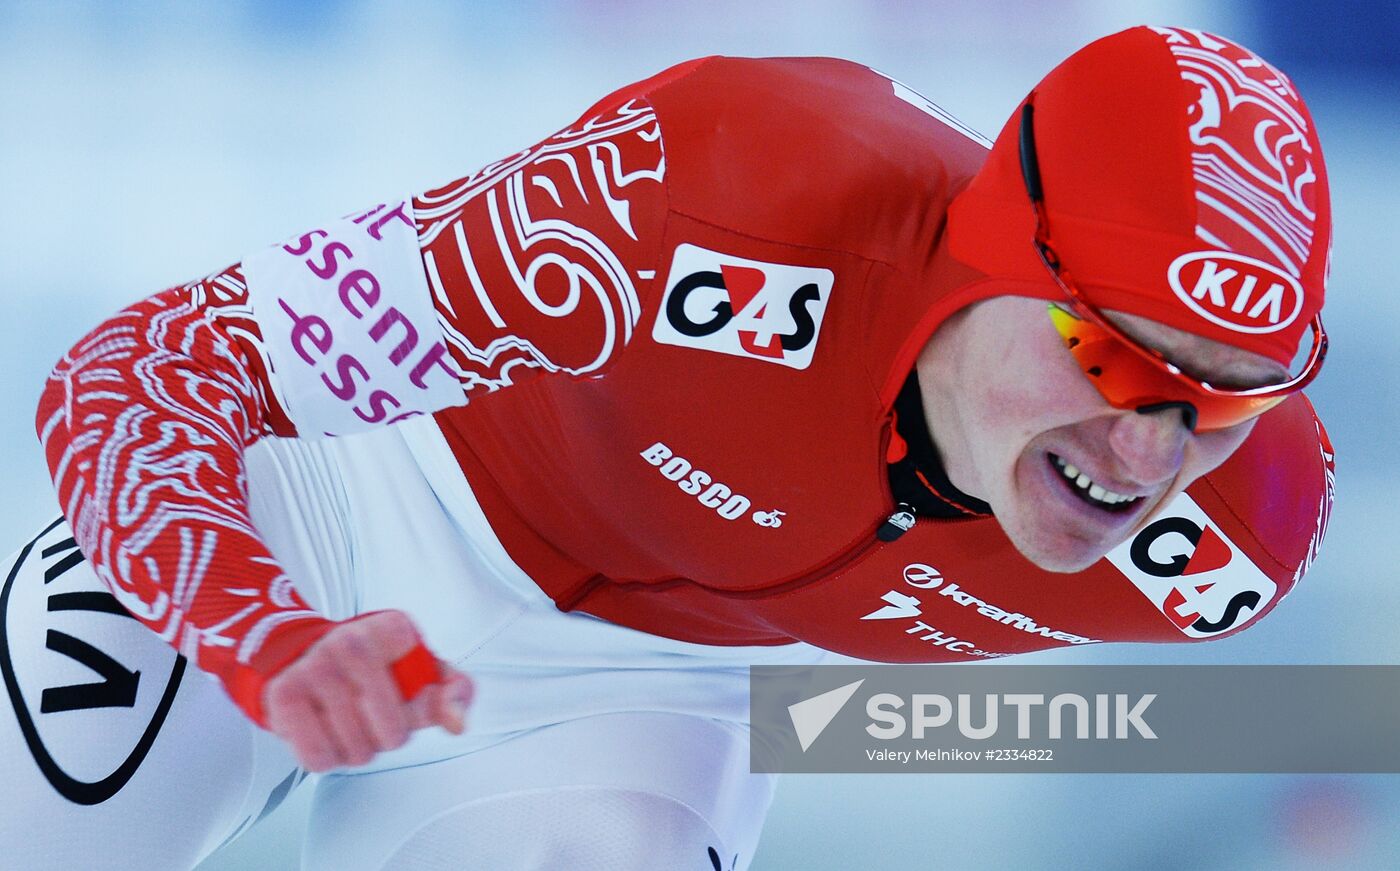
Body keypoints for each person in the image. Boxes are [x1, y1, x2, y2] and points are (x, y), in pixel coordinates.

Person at [0, 24, 1334, 871]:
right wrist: (258, 623)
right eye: (1111, 357)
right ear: (990, 264)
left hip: (628, 704)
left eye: (1218, 402)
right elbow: (150, 366)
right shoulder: (719, 197)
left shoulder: (1229, 541)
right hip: (333, 512)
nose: (1147, 455)